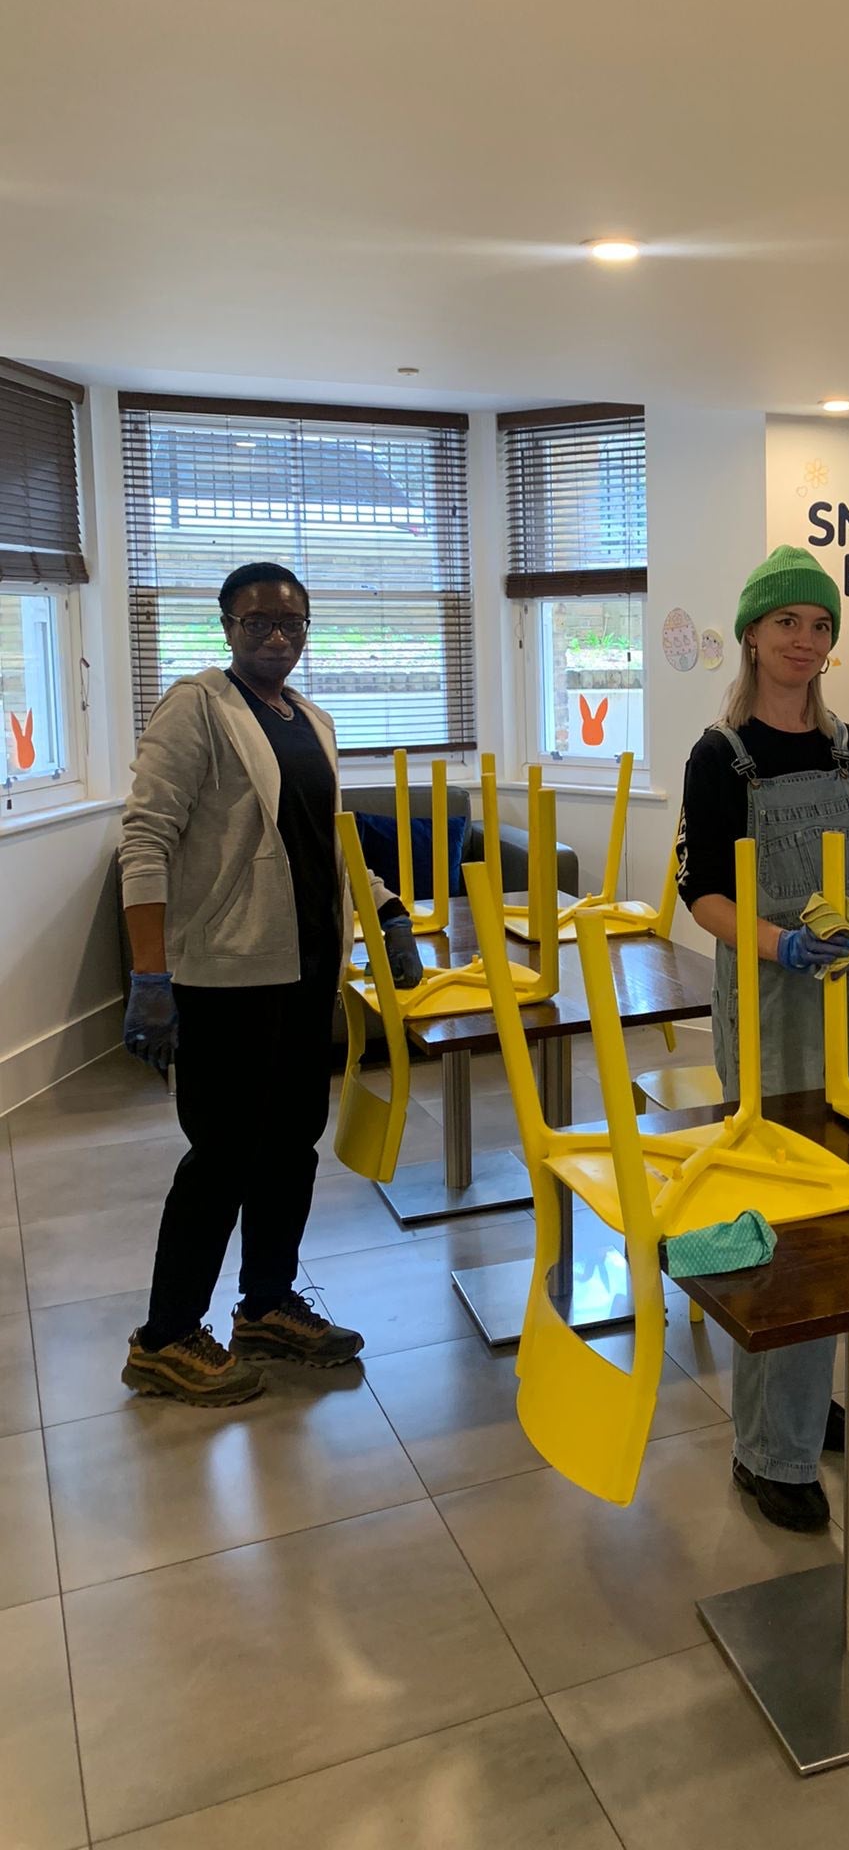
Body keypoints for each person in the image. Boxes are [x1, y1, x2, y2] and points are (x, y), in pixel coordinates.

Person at [118, 562, 425, 1406]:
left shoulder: (313, 719)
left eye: (292, 623)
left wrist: (389, 911)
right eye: (258, 622)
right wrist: (150, 974)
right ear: (226, 625)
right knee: (221, 1154)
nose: (277, 636)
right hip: (227, 973)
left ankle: (265, 1305)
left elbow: (325, 842)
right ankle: (166, 1335)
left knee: (291, 1146)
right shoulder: (198, 708)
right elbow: (144, 841)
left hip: (308, 971)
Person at [677, 545, 849, 1531]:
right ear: (753, 635)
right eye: (787, 624)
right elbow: (703, 894)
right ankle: (767, 1449)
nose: (805, 641)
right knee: (777, 1218)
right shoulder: (718, 754)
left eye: (820, 625)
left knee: (843, 1207)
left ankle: (806, 1400)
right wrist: (783, 943)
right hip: (768, 1012)